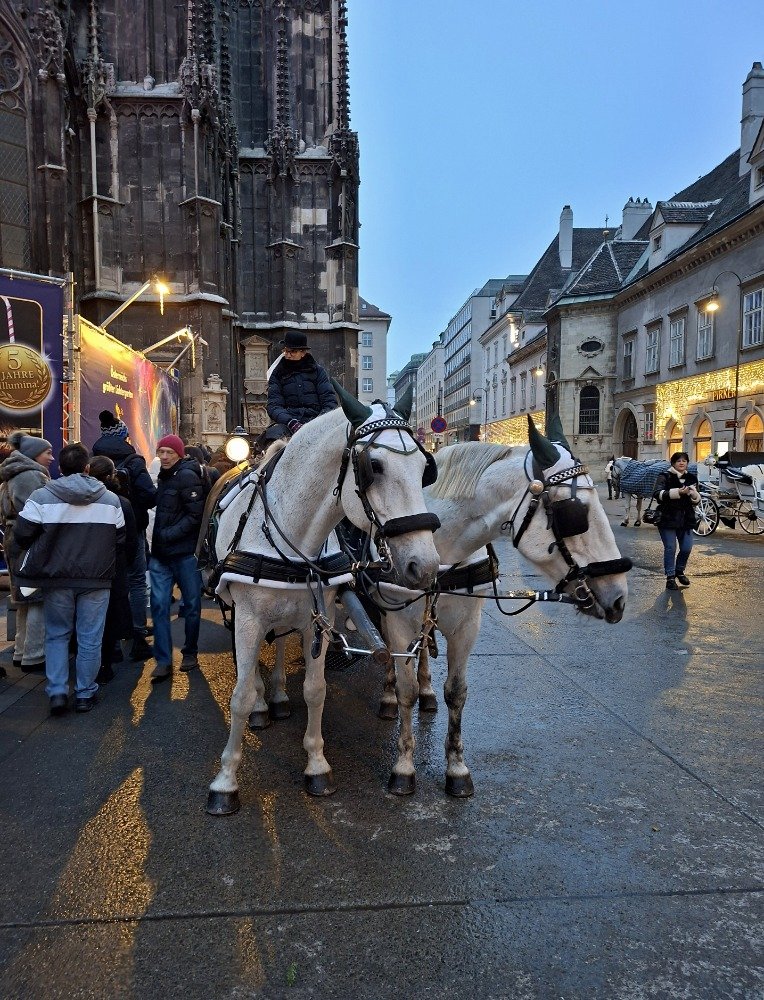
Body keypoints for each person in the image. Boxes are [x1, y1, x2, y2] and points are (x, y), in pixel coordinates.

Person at [12, 443, 125, 715]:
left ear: (60, 469)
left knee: (57, 635)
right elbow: (119, 539)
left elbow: (22, 534)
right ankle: (85, 693)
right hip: (96, 578)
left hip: (57, 577)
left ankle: (58, 692)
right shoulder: (110, 499)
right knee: (90, 637)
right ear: (87, 467)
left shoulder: (41, 496)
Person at [91, 410, 157, 661]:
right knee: (137, 580)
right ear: (124, 436)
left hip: (100, 528)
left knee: (109, 582)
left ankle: (112, 641)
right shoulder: (134, 460)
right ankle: (137, 633)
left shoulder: (92, 457)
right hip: (132, 526)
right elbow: (149, 495)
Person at [149, 434, 205, 682]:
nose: (164, 457)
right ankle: (163, 661)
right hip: (161, 555)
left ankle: (190, 652)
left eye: (169, 452)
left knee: (191, 605)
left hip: (184, 554)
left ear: (179, 454)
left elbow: (195, 516)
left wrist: (167, 534)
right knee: (159, 605)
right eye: (161, 452)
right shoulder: (164, 476)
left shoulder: (187, 476)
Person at [0, 432, 54, 673]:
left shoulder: (13, 474)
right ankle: (34, 654)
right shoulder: (30, 476)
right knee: (36, 599)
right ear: (34, 454)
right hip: (28, 542)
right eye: (47, 453)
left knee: (23, 599)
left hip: (14, 540)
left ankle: (21, 651)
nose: (52, 458)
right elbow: (36, 514)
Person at [88, 456, 138, 684]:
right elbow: (130, 541)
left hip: (86, 567)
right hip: (113, 567)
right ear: (110, 476)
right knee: (110, 615)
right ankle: (107, 661)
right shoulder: (121, 503)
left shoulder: (78, 501)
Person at [266, 330, 337, 439]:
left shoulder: (318, 372)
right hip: (288, 425)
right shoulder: (277, 374)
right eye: (286, 351)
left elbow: (329, 402)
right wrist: (290, 422)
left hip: (316, 422)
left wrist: (318, 422)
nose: (288, 355)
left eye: (293, 352)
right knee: (271, 439)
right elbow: (274, 406)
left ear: (303, 352)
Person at [652, 451, 701, 590]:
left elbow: (697, 500)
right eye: (678, 461)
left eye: (684, 461)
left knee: (686, 548)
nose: (681, 463)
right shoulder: (665, 476)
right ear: (673, 463)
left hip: (686, 518)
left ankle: (679, 571)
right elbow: (657, 494)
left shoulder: (691, 477)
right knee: (670, 548)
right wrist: (677, 492)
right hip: (668, 517)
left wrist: (694, 494)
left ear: (687, 463)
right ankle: (670, 577)